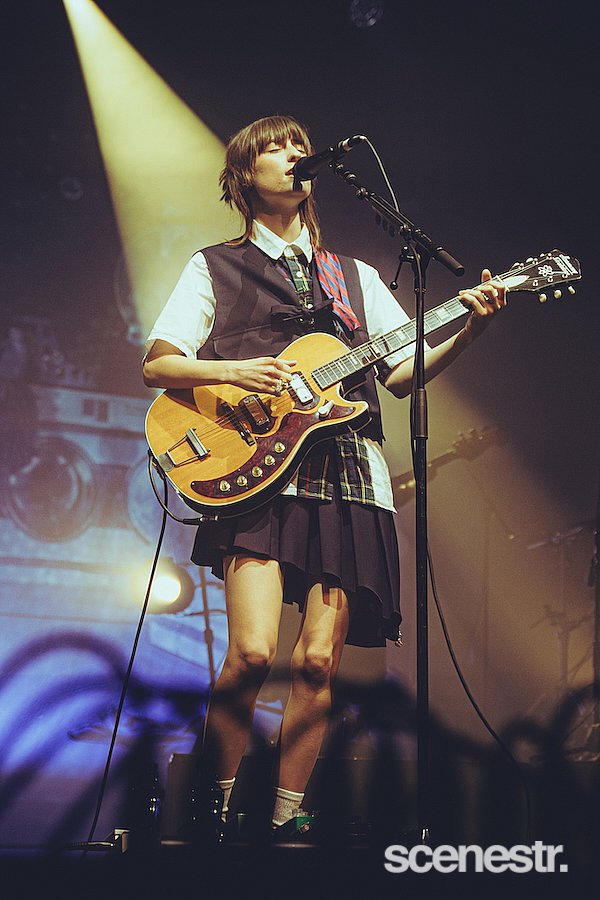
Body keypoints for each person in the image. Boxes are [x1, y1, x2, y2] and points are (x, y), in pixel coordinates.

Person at [142, 114, 506, 835]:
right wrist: (233, 371)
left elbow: (399, 374)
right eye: (275, 148)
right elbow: (159, 364)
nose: (294, 155)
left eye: (299, 146)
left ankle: (284, 821)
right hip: (256, 470)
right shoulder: (214, 266)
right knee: (251, 654)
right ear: (244, 177)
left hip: (349, 470)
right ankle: (212, 814)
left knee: (316, 663)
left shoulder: (355, 278)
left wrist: (473, 324)